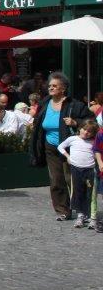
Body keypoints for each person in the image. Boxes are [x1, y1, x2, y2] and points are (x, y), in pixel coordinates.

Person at [30, 72, 88, 221]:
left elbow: (89, 121)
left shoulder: (74, 105)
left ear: (63, 89)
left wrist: (76, 123)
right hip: (50, 146)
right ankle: (63, 211)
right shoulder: (45, 102)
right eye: (50, 86)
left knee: (72, 179)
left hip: (70, 148)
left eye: (54, 86)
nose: (51, 88)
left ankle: (82, 210)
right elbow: (38, 119)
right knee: (56, 180)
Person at [58, 119, 99, 229]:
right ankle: (81, 216)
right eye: (84, 129)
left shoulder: (93, 142)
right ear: (80, 128)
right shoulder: (73, 139)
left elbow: (98, 153)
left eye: (89, 131)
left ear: (93, 133)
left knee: (91, 194)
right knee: (78, 193)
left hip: (90, 171)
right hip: (76, 170)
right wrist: (68, 157)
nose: (85, 132)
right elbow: (60, 146)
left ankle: (93, 218)